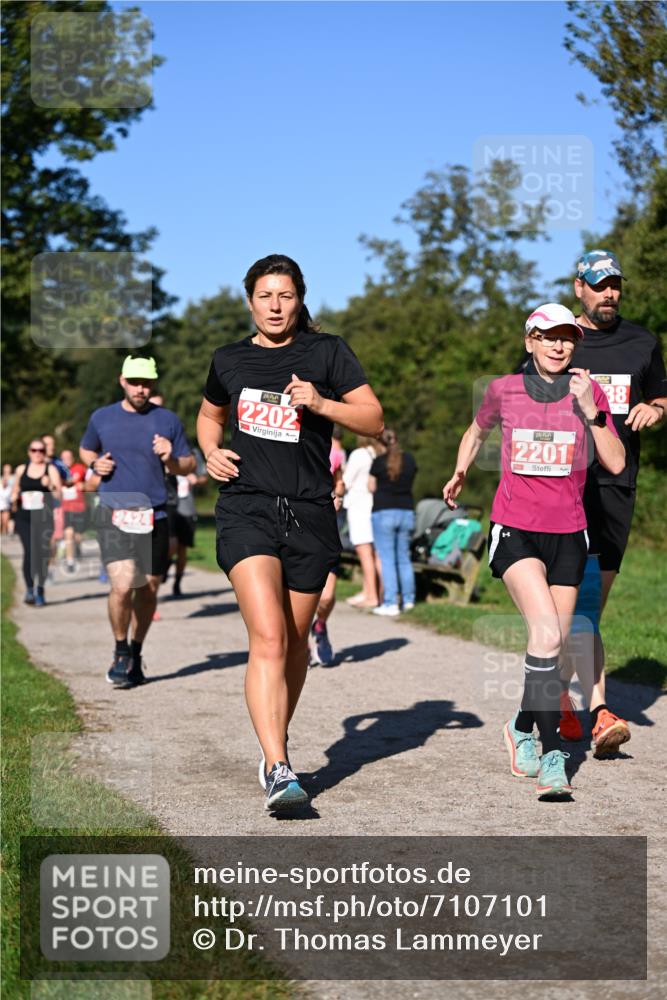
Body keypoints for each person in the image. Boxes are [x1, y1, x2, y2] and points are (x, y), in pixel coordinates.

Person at [197, 253, 383, 812]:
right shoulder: (228, 358)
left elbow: (374, 420)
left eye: (285, 295)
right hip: (246, 507)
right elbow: (210, 414)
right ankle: (279, 766)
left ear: (300, 298)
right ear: (249, 300)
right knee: (271, 638)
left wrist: (322, 403)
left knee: (297, 645)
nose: (275, 306)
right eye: (264, 296)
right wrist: (210, 451)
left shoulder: (327, 352)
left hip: (309, 511)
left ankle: (273, 741)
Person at [443, 303, 625, 799]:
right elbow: (477, 430)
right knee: (545, 635)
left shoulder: (589, 392)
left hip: (569, 534)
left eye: (567, 337)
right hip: (515, 528)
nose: (558, 345)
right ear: (530, 341)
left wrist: (592, 413)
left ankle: (521, 724)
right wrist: (461, 469)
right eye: (548, 336)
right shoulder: (503, 390)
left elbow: (615, 460)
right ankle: (552, 755)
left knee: (552, 648)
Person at [560, 250, 666, 755]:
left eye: (615, 285)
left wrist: (655, 407)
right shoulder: (560, 340)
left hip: (616, 488)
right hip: (562, 487)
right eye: (600, 285)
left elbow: (663, 395)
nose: (610, 293)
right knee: (573, 604)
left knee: (589, 605)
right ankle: (593, 708)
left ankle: (559, 694)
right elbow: (524, 397)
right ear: (579, 287)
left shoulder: (642, 341)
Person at [80, 356, 195, 688]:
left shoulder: (167, 420)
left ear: (153, 384)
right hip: (114, 512)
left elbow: (188, 465)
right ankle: (119, 652)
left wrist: (171, 457)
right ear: (122, 381)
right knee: (122, 584)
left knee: (149, 588)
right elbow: (86, 450)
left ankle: (136, 650)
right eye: (134, 381)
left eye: (146, 383)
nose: (140, 388)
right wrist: (95, 465)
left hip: (155, 514)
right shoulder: (102, 417)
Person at [369, 429, 417, 616]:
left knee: (387, 559)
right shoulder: (410, 460)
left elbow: (371, 486)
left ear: (381, 443)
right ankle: (409, 600)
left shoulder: (378, 462)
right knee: (404, 558)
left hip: (384, 511)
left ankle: (390, 602)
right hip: (406, 511)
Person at [10, 439, 62, 605]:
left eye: (41, 450)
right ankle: (29, 590)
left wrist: (51, 485)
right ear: (29, 451)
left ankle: (40, 588)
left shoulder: (51, 469)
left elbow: (58, 496)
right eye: (34, 450)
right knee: (30, 551)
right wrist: (13, 499)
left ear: (45, 452)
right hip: (24, 517)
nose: (37, 453)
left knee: (42, 554)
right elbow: (16, 489)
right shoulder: (21, 469)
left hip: (44, 518)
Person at [310, 435, 347, 666]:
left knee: (327, 596)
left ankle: (320, 626)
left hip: (325, 530)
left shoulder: (334, 452)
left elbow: (339, 481)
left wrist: (339, 495)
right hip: (296, 528)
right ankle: (299, 643)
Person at [342, 435, 384, 608]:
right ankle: (375, 593)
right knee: (376, 554)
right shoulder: (379, 453)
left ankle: (372, 596)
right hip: (374, 505)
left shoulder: (359, 454)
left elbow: (346, 481)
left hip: (359, 505)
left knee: (364, 553)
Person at [59, 449, 88, 572]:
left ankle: (78, 546)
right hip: (65, 508)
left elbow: (90, 482)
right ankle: (70, 561)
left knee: (77, 536)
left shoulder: (80, 468)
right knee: (68, 533)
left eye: (69, 457)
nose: (67, 460)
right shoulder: (58, 471)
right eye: (64, 458)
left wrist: (84, 486)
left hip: (79, 507)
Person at [0, 464, 15, 535]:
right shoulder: (1, 478)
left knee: (6, 520)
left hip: (9, 500)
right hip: (1, 500)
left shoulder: (13, 478)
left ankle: (5, 532)